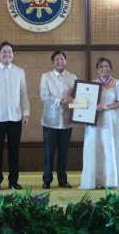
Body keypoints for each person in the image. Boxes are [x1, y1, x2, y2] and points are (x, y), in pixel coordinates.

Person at [0, 41, 30, 190]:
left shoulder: (19, 71)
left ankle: (13, 181)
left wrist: (26, 113)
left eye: (10, 52)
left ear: (13, 54)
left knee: (14, 151)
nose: (7, 54)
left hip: (16, 118)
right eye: (4, 52)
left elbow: (23, 94)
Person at [79, 57, 119, 190]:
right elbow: (84, 104)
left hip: (111, 120)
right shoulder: (91, 84)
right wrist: (84, 117)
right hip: (95, 122)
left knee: (110, 146)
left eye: (107, 66)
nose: (104, 69)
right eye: (101, 66)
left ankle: (111, 180)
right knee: (95, 147)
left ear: (110, 68)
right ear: (97, 69)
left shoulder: (118, 83)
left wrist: (106, 106)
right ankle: (95, 180)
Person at [40, 51, 77, 189]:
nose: (60, 61)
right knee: (49, 152)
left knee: (64, 152)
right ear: (53, 62)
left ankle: (62, 180)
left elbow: (76, 98)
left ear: (65, 61)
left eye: (62, 59)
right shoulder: (46, 77)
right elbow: (43, 95)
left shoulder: (72, 77)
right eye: (57, 59)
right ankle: (47, 180)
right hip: (50, 121)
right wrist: (60, 100)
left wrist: (72, 100)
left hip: (67, 121)